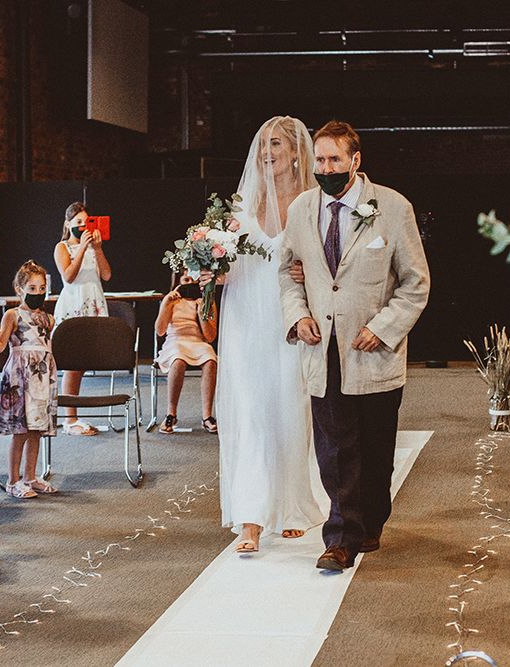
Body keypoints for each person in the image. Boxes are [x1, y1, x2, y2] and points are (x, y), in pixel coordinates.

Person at [280, 120, 430, 571]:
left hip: (373, 351)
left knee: (375, 447)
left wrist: (384, 327)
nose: (325, 168)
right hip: (320, 349)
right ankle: (339, 537)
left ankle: (369, 521)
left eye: (334, 160)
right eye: (320, 160)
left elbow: (415, 284)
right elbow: (287, 275)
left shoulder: (393, 207)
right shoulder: (302, 210)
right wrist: (298, 316)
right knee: (334, 447)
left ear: (355, 161)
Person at [202, 116, 324, 553]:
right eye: (262, 145)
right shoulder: (240, 207)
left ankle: (292, 505)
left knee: (292, 409)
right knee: (250, 412)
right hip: (245, 320)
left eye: (275, 144)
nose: (267, 152)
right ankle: (251, 516)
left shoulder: (312, 203)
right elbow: (227, 264)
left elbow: (330, 263)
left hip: (291, 318)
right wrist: (209, 267)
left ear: (295, 152)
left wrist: (308, 269)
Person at [0, 261, 58, 499]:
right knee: (20, 431)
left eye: (42, 289)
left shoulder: (49, 319)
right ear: (20, 289)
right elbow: (1, 347)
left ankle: (30, 477)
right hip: (20, 378)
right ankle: (13, 480)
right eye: (32, 288)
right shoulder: (13, 315)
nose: (38, 293)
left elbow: (46, 348)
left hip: (42, 377)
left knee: (36, 430)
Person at [53, 201, 112, 436]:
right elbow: (68, 276)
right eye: (77, 222)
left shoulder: (93, 248)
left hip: (93, 303)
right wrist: (81, 250)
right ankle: (70, 419)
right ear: (69, 225)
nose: (81, 226)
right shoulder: (62, 247)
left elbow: (107, 275)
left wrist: (96, 249)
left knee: (84, 363)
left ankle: (72, 414)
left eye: (85, 222)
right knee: (73, 364)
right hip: (74, 305)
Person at [154, 270, 218, 434]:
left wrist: (201, 313)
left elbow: (210, 337)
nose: (190, 283)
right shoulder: (172, 300)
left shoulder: (206, 300)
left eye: (193, 279)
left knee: (211, 360)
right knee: (178, 360)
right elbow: (160, 331)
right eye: (186, 279)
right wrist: (166, 304)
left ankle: (207, 416)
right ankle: (171, 413)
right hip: (175, 341)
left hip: (198, 341)